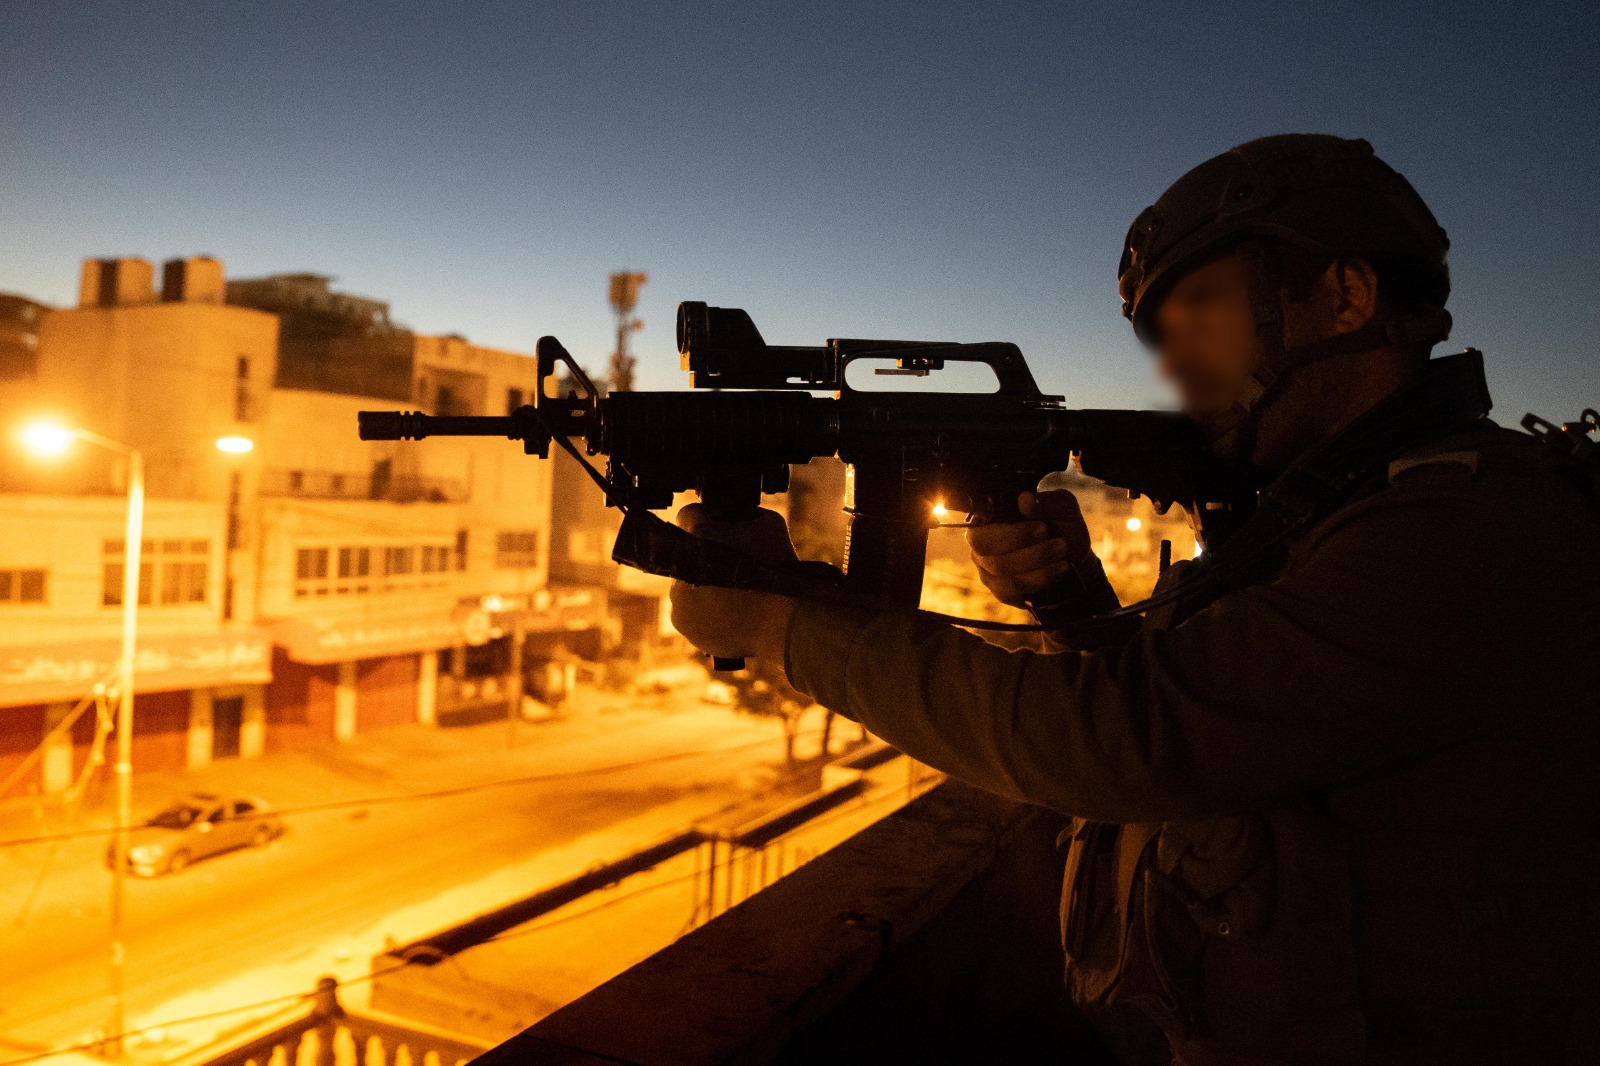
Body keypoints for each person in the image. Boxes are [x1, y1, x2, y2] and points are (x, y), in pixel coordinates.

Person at [668, 135, 1600, 1065]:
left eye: (1201, 309)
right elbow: (1218, 700)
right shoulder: (1345, 505)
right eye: (1159, 332)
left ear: (1345, 296)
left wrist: (778, 623)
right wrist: (1072, 604)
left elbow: (1126, 739)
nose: (1173, 362)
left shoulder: (1461, 527)